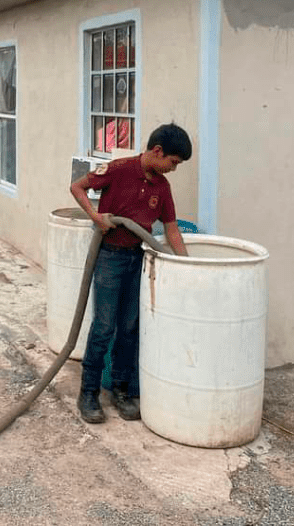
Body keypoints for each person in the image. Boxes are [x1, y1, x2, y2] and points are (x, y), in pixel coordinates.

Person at [69, 123, 192, 424]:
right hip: (109, 256)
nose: (173, 169)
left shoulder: (162, 187)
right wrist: (96, 217)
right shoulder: (119, 169)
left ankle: (121, 391)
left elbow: (172, 229)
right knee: (104, 326)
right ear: (157, 151)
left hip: (140, 257)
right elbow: (77, 187)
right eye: (173, 162)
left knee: (130, 326)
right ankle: (88, 393)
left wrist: (189, 265)